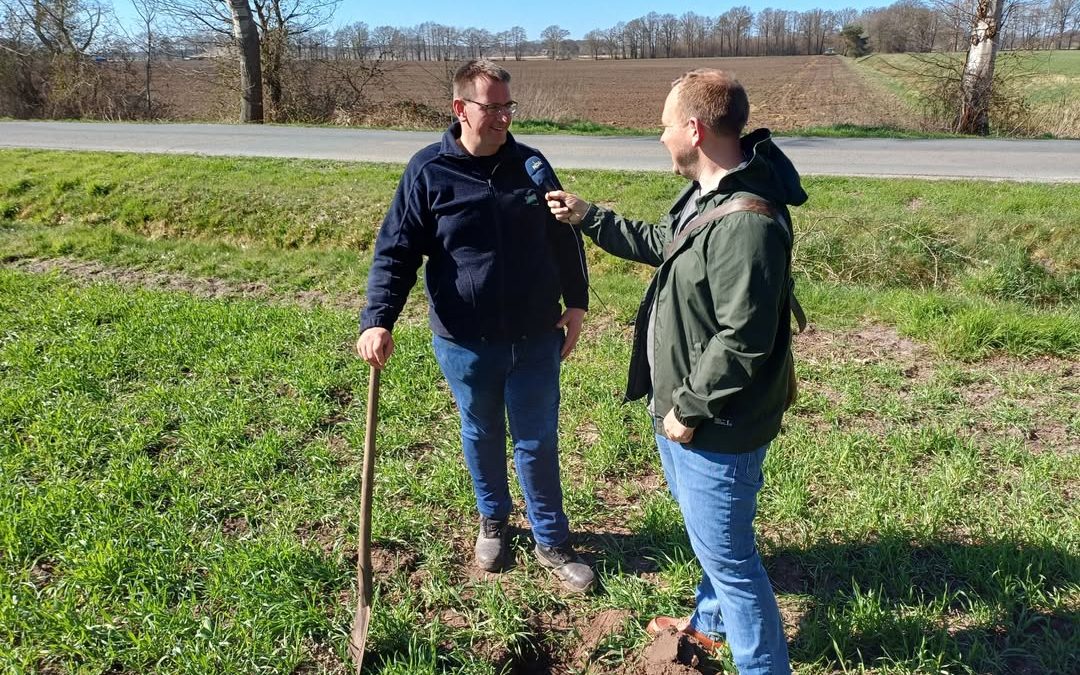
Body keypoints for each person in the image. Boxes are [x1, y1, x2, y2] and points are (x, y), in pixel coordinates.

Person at [546, 69, 804, 673]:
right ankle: (711, 625)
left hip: (715, 420)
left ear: (693, 129)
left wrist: (688, 408)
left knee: (732, 560)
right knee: (712, 542)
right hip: (685, 408)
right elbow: (663, 242)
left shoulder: (747, 223)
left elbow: (744, 339)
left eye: (665, 126)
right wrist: (589, 216)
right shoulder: (706, 195)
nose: (660, 136)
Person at [356, 59, 595, 593]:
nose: (504, 118)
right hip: (464, 340)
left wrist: (577, 303)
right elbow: (396, 251)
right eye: (493, 107)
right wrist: (378, 320)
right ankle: (493, 520)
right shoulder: (428, 171)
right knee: (481, 431)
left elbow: (564, 236)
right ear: (460, 108)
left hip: (535, 334)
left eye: (509, 106)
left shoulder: (532, 165)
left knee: (537, 439)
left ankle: (552, 539)